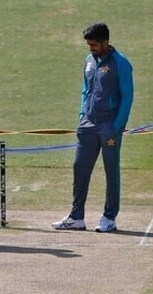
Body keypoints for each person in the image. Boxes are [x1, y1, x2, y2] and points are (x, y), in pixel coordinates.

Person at [51, 23, 134, 232]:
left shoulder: (120, 63)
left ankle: (109, 217)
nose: (91, 48)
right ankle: (76, 217)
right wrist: (82, 115)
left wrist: (117, 125)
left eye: (94, 44)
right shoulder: (89, 61)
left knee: (111, 171)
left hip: (109, 125)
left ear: (106, 42)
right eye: (89, 45)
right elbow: (85, 90)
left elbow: (127, 96)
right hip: (88, 124)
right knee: (80, 168)